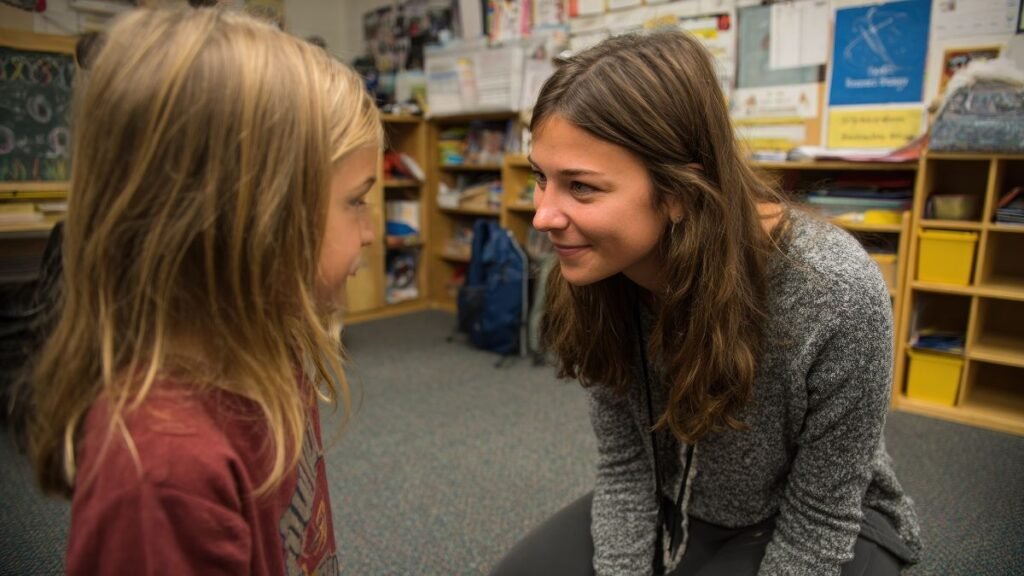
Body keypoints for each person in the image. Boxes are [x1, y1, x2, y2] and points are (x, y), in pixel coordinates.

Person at [491, 30, 921, 576]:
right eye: (540, 179)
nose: (543, 216)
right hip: (679, 502)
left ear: (678, 191)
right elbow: (627, 468)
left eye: (580, 187)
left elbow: (820, 518)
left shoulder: (833, 292)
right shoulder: (595, 271)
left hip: (825, 521)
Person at [27, 7, 380, 575]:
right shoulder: (161, 471)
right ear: (248, 221)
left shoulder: (268, 340)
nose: (369, 231)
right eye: (355, 200)